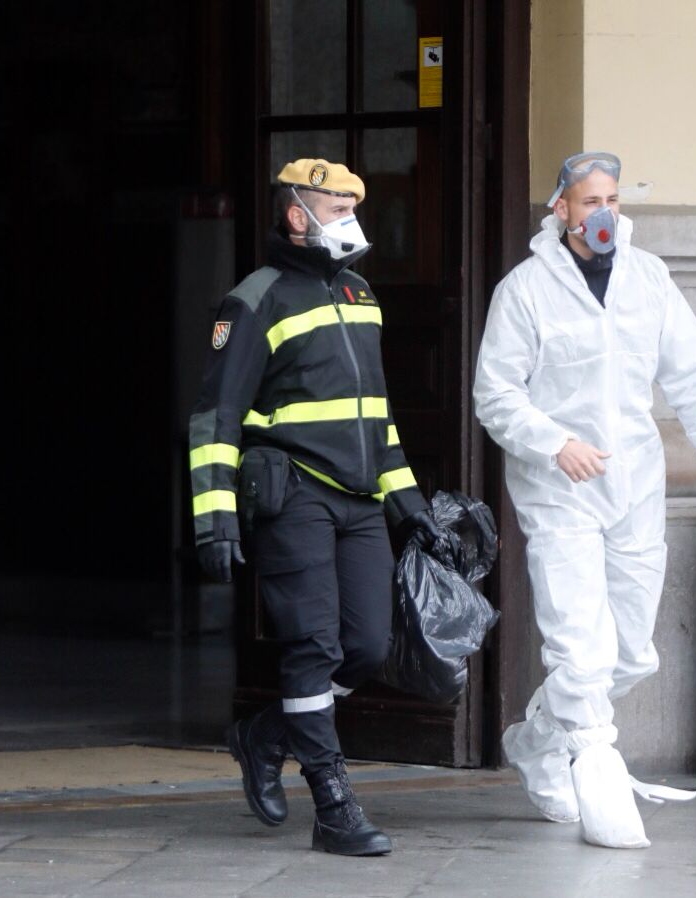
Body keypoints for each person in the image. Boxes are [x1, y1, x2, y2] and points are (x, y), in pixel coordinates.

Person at [474, 151, 696, 848]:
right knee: (579, 650)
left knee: (630, 652)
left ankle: (536, 740)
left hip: (632, 483)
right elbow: (495, 393)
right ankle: (588, 762)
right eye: (589, 200)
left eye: (613, 200)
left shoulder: (647, 278)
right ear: (559, 209)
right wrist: (551, 441)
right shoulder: (525, 291)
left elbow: (691, 370)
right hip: (558, 489)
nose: (603, 214)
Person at [189, 159, 432, 857]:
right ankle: (331, 802)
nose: (349, 218)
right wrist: (213, 517)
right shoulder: (254, 299)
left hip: (359, 499)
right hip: (291, 493)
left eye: (354, 206)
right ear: (296, 214)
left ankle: (264, 736)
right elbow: (215, 417)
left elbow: (373, 416)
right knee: (313, 645)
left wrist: (408, 503)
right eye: (335, 207)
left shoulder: (360, 294)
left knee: (367, 646)